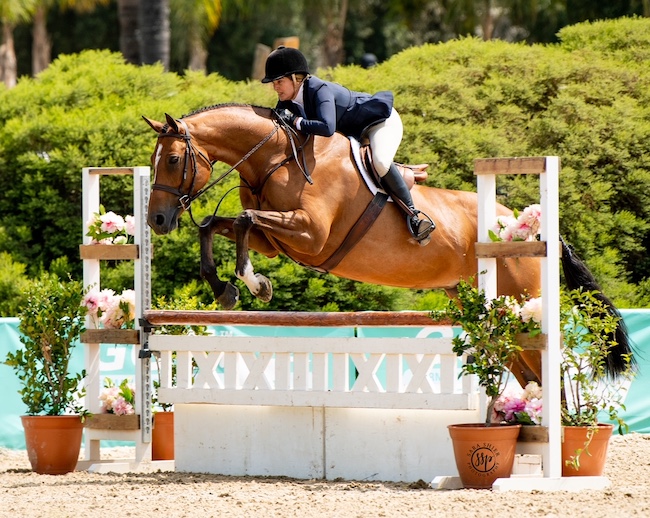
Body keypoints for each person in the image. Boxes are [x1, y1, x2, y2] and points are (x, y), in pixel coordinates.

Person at [261, 46, 435, 245]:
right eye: (274, 83)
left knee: (380, 162)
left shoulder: (319, 89)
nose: (275, 87)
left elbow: (327, 128)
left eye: (279, 82)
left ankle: (415, 217)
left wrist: (296, 121)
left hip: (379, 122)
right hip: (353, 134)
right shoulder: (287, 102)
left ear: (295, 78)